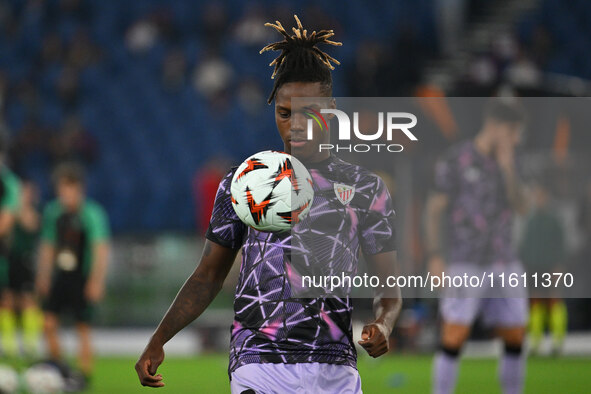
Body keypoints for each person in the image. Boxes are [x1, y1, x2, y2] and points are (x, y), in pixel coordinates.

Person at [136, 15, 401, 393]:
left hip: (335, 366)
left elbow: (388, 287)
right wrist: (159, 337)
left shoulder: (364, 188)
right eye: (284, 113)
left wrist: (384, 324)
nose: (296, 125)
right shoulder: (244, 182)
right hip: (258, 362)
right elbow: (209, 274)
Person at [426, 98, 528, 394]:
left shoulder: (513, 159)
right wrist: (435, 257)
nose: (515, 138)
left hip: (505, 260)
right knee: (454, 335)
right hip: (465, 260)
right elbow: (434, 210)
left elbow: (522, 207)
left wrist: (508, 168)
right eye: (512, 131)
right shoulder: (457, 159)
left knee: (515, 335)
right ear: (496, 126)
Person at [35, 163, 110, 380]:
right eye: (61, 189)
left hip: (82, 277)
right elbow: (48, 247)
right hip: (60, 276)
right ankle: (59, 367)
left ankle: (84, 375)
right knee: (48, 324)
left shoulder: (92, 214)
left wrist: (96, 281)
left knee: (82, 326)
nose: (65, 194)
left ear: (79, 189)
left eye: (69, 189)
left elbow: (100, 249)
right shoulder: (53, 213)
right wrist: (43, 276)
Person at [519, 181, 566, 355]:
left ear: (546, 197)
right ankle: (535, 342)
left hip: (551, 267)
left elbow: (561, 246)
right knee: (535, 301)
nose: (538, 199)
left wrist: (558, 266)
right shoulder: (530, 222)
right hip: (533, 268)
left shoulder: (554, 221)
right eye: (535, 196)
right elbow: (525, 247)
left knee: (553, 300)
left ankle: (557, 341)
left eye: (541, 195)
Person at [5, 180, 43, 358]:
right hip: (10, 259)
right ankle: (9, 346)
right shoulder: (10, 211)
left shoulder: (32, 213)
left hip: (26, 261)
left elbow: (30, 224)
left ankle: (30, 345)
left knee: (28, 300)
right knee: (7, 300)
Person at [0, 143, 21, 358]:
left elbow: (6, 221)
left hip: (3, 252)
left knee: (5, 299)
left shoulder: (7, 182)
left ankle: (9, 348)